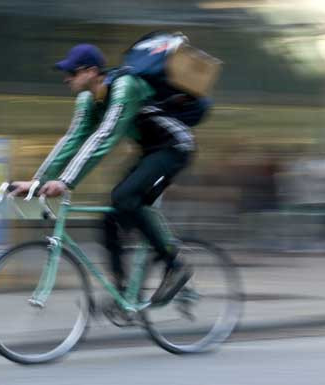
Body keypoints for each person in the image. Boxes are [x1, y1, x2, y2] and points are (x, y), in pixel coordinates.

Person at [10, 43, 199, 303]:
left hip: (175, 147)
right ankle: (122, 292)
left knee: (125, 198)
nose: (67, 78)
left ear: (91, 71)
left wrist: (65, 181)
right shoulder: (88, 99)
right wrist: (37, 181)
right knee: (110, 216)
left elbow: (105, 135)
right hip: (150, 151)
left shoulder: (124, 87)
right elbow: (72, 139)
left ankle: (174, 267)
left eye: (72, 72)